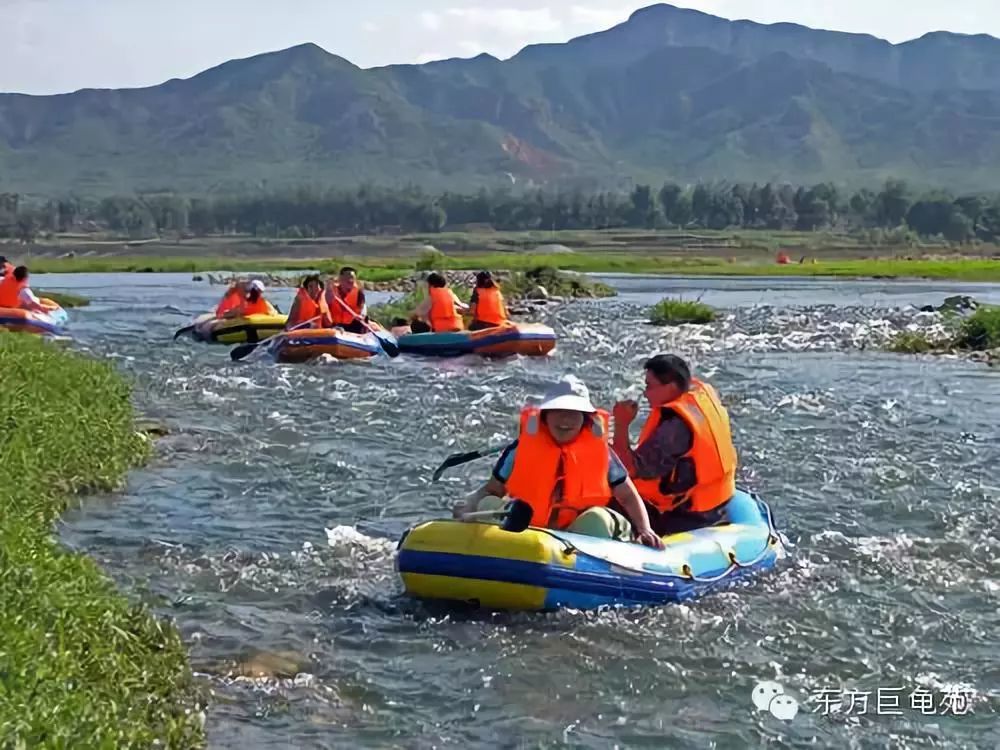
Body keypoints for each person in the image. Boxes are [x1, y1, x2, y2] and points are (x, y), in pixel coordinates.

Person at [452, 375, 663, 549]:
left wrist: (645, 529)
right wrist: (468, 506)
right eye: (559, 412)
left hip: (579, 536)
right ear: (545, 416)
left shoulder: (602, 452)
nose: (565, 420)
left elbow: (627, 495)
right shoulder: (520, 449)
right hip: (529, 531)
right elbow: (492, 488)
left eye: (574, 414)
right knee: (487, 504)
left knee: (597, 519)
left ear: (586, 419)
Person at [611, 354, 738, 536]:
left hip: (687, 515)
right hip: (718, 499)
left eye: (649, 386)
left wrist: (621, 424)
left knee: (610, 496)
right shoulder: (699, 394)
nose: (645, 393)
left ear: (670, 387)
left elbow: (626, 469)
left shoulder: (674, 428)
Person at [326, 266, 369, 334]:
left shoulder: (358, 292)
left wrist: (361, 315)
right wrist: (328, 289)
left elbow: (363, 306)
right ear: (340, 279)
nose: (350, 280)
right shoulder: (332, 291)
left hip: (353, 325)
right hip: (335, 325)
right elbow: (327, 302)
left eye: (352, 278)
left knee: (363, 321)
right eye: (347, 278)